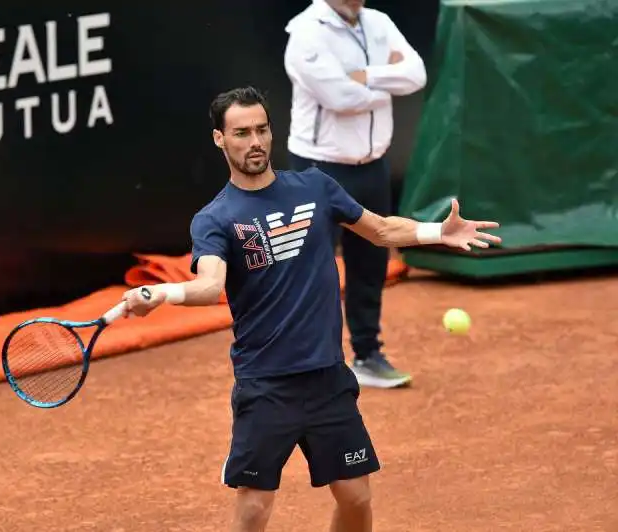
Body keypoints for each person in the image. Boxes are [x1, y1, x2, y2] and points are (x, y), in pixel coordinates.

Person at [121, 87, 500, 532]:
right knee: (256, 507)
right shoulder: (215, 218)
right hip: (266, 385)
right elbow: (210, 286)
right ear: (220, 140)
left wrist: (437, 231)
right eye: (242, 133)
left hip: (327, 379)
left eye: (262, 129)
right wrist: (162, 294)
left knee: (357, 497)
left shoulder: (315, 186)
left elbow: (378, 230)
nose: (255, 141)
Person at [283, 0, 428, 389]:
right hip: (318, 167)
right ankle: (308, 363)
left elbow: (416, 75)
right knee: (312, 269)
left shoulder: (379, 22)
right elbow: (340, 99)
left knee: (371, 262)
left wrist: (363, 75)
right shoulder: (307, 32)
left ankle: (367, 354)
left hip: (373, 166)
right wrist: (385, 83)